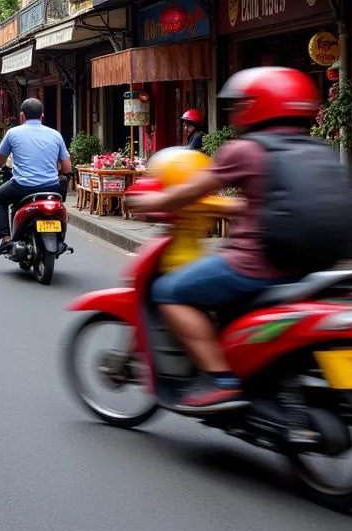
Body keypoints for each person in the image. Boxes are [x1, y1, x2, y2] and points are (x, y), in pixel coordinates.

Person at [126, 67, 322, 413]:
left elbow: (192, 191)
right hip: (311, 266)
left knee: (168, 292)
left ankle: (221, 379)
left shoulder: (246, 150)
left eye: (242, 105)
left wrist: (153, 201)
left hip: (256, 263)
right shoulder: (316, 150)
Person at [0, 98, 71, 255]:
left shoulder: (12, 133)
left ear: (22, 116)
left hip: (22, 187)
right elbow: (67, 167)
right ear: (42, 116)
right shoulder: (55, 135)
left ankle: (6, 238)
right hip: (51, 188)